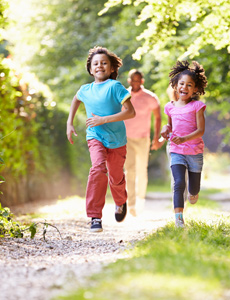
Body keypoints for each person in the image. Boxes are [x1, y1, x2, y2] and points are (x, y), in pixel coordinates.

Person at [66, 46, 136, 233]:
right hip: (95, 136)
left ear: (112, 68)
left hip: (117, 140)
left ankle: (120, 201)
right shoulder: (85, 89)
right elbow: (76, 99)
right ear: (90, 69)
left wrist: (103, 119)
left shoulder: (115, 87)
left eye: (104, 63)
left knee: (115, 176)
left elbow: (130, 112)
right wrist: (69, 123)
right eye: (95, 63)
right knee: (97, 168)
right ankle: (95, 216)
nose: (100, 66)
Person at [161, 60, 208, 228]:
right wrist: (165, 130)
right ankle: (179, 219)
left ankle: (193, 193)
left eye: (189, 85)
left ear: (195, 89)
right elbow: (170, 127)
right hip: (177, 151)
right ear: (175, 85)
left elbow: (201, 130)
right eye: (181, 84)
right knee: (179, 183)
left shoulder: (198, 106)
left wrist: (185, 139)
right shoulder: (170, 107)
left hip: (194, 152)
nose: (184, 88)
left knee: (193, 190)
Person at [123, 69, 162, 217]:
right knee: (130, 171)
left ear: (142, 81)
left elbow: (158, 117)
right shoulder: (123, 96)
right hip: (127, 139)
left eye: (138, 80)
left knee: (142, 170)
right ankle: (131, 203)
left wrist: (156, 138)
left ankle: (140, 200)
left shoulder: (150, 97)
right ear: (129, 80)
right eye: (133, 80)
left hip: (143, 139)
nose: (136, 82)